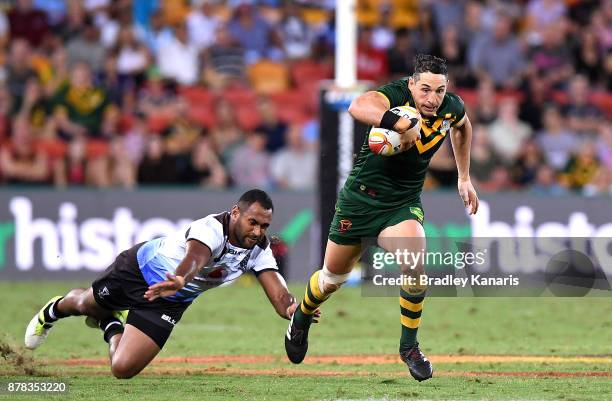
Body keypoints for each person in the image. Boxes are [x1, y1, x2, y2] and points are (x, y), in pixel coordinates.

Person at [284, 55, 479, 382]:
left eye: (440, 91)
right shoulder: (397, 95)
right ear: (412, 84)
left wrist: (464, 177)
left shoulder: (450, 107)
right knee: (332, 279)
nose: (432, 99)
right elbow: (358, 106)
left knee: (415, 265)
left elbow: (462, 127)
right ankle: (301, 318)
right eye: (426, 90)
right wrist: (398, 122)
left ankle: (408, 347)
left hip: (401, 204)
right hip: (359, 201)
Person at [25, 189, 310, 379]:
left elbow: (279, 294)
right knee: (85, 304)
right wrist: (180, 278)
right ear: (235, 212)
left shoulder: (260, 249)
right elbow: (195, 258)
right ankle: (53, 311)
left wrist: (294, 310)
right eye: (253, 222)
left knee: (122, 369)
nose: (258, 231)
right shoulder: (210, 229)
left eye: (264, 226)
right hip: (138, 271)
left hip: (171, 300)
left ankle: (111, 325)